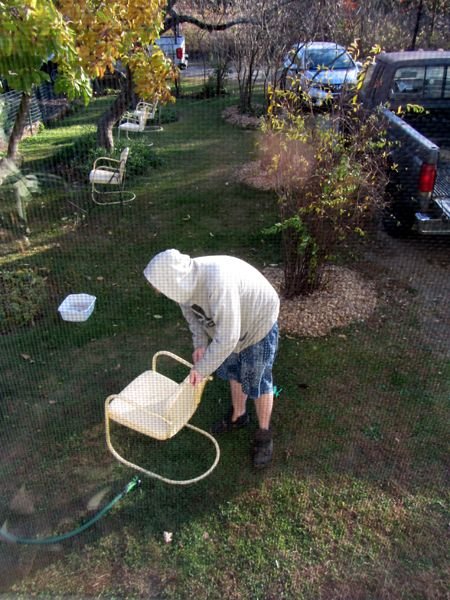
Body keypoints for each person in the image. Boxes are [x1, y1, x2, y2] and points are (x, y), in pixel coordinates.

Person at [144, 249, 280, 468]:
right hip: (230, 327)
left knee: (258, 381)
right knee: (234, 371)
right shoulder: (181, 286)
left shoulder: (217, 282)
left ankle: (264, 434)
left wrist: (202, 369)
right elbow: (193, 319)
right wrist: (200, 345)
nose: (160, 292)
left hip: (257, 322)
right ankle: (239, 415)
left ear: (173, 280)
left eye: (161, 288)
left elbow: (228, 337)